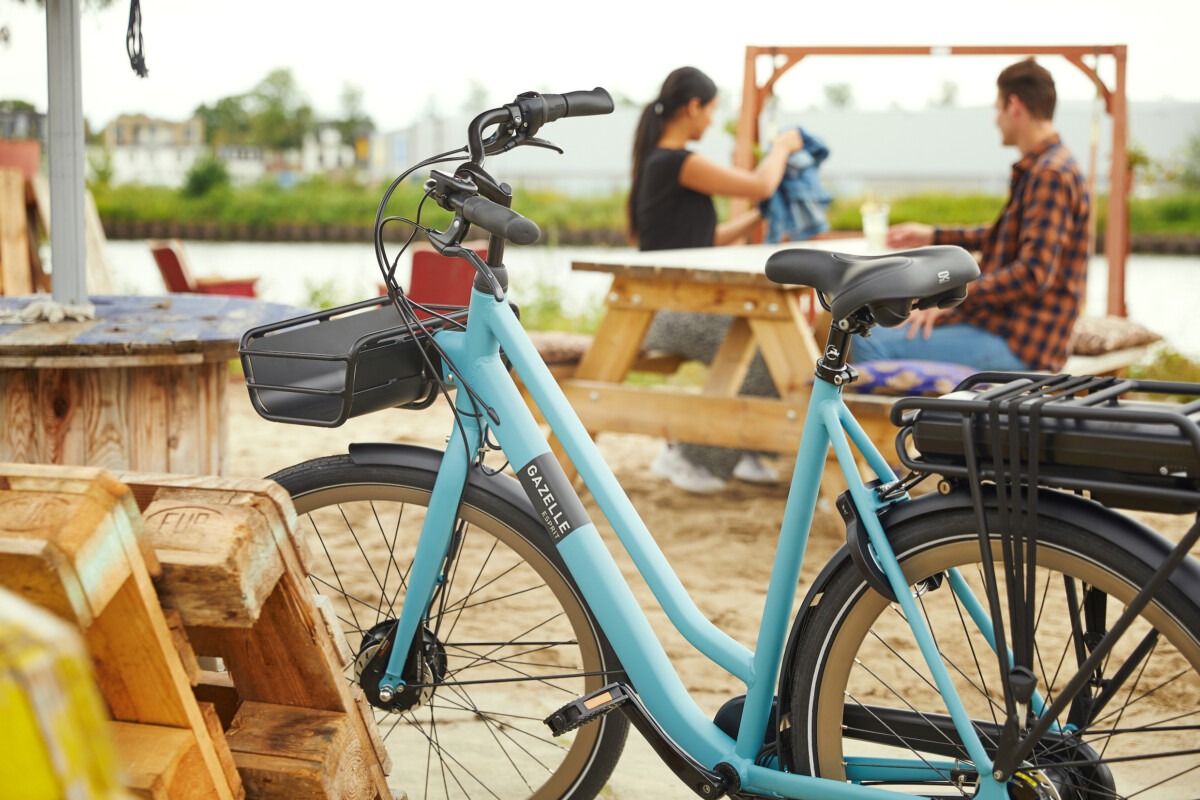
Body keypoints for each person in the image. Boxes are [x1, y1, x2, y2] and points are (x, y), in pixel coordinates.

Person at [628, 66, 804, 493]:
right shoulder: (677, 161)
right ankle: (689, 454)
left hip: (679, 303)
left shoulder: (664, 162)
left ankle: (748, 449)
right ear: (693, 107)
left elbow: (703, 239)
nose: (711, 121)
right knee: (768, 349)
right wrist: (781, 148)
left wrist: (760, 221)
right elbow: (761, 185)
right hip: (668, 312)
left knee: (780, 342)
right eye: (710, 111)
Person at [856, 58, 1090, 374]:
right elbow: (1007, 233)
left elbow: (1034, 274)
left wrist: (950, 300)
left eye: (997, 109)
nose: (996, 120)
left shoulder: (1048, 174)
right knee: (875, 324)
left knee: (863, 337)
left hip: (1020, 344)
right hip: (1009, 330)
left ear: (1014, 104)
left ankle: (906, 423)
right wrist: (934, 236)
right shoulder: (1051, 166)